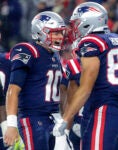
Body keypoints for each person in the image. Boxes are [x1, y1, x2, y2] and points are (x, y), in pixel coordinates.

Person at [53, 2, 118, 150]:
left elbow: (86, 88)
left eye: (77, 23)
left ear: (90, 22)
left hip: (102, 111)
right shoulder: (117, 41)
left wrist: (65, 120)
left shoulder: (92, 42)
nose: (75, 28)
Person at [4, 11, 66, 150]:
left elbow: (62, 90)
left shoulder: (54, 55)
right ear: (40, 32)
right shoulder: (28, 50)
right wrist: (11, 124)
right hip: (32, 118)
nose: (60, 37)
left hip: (51, 119)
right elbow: (13, 89)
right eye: (55, 33)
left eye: (61, 33)